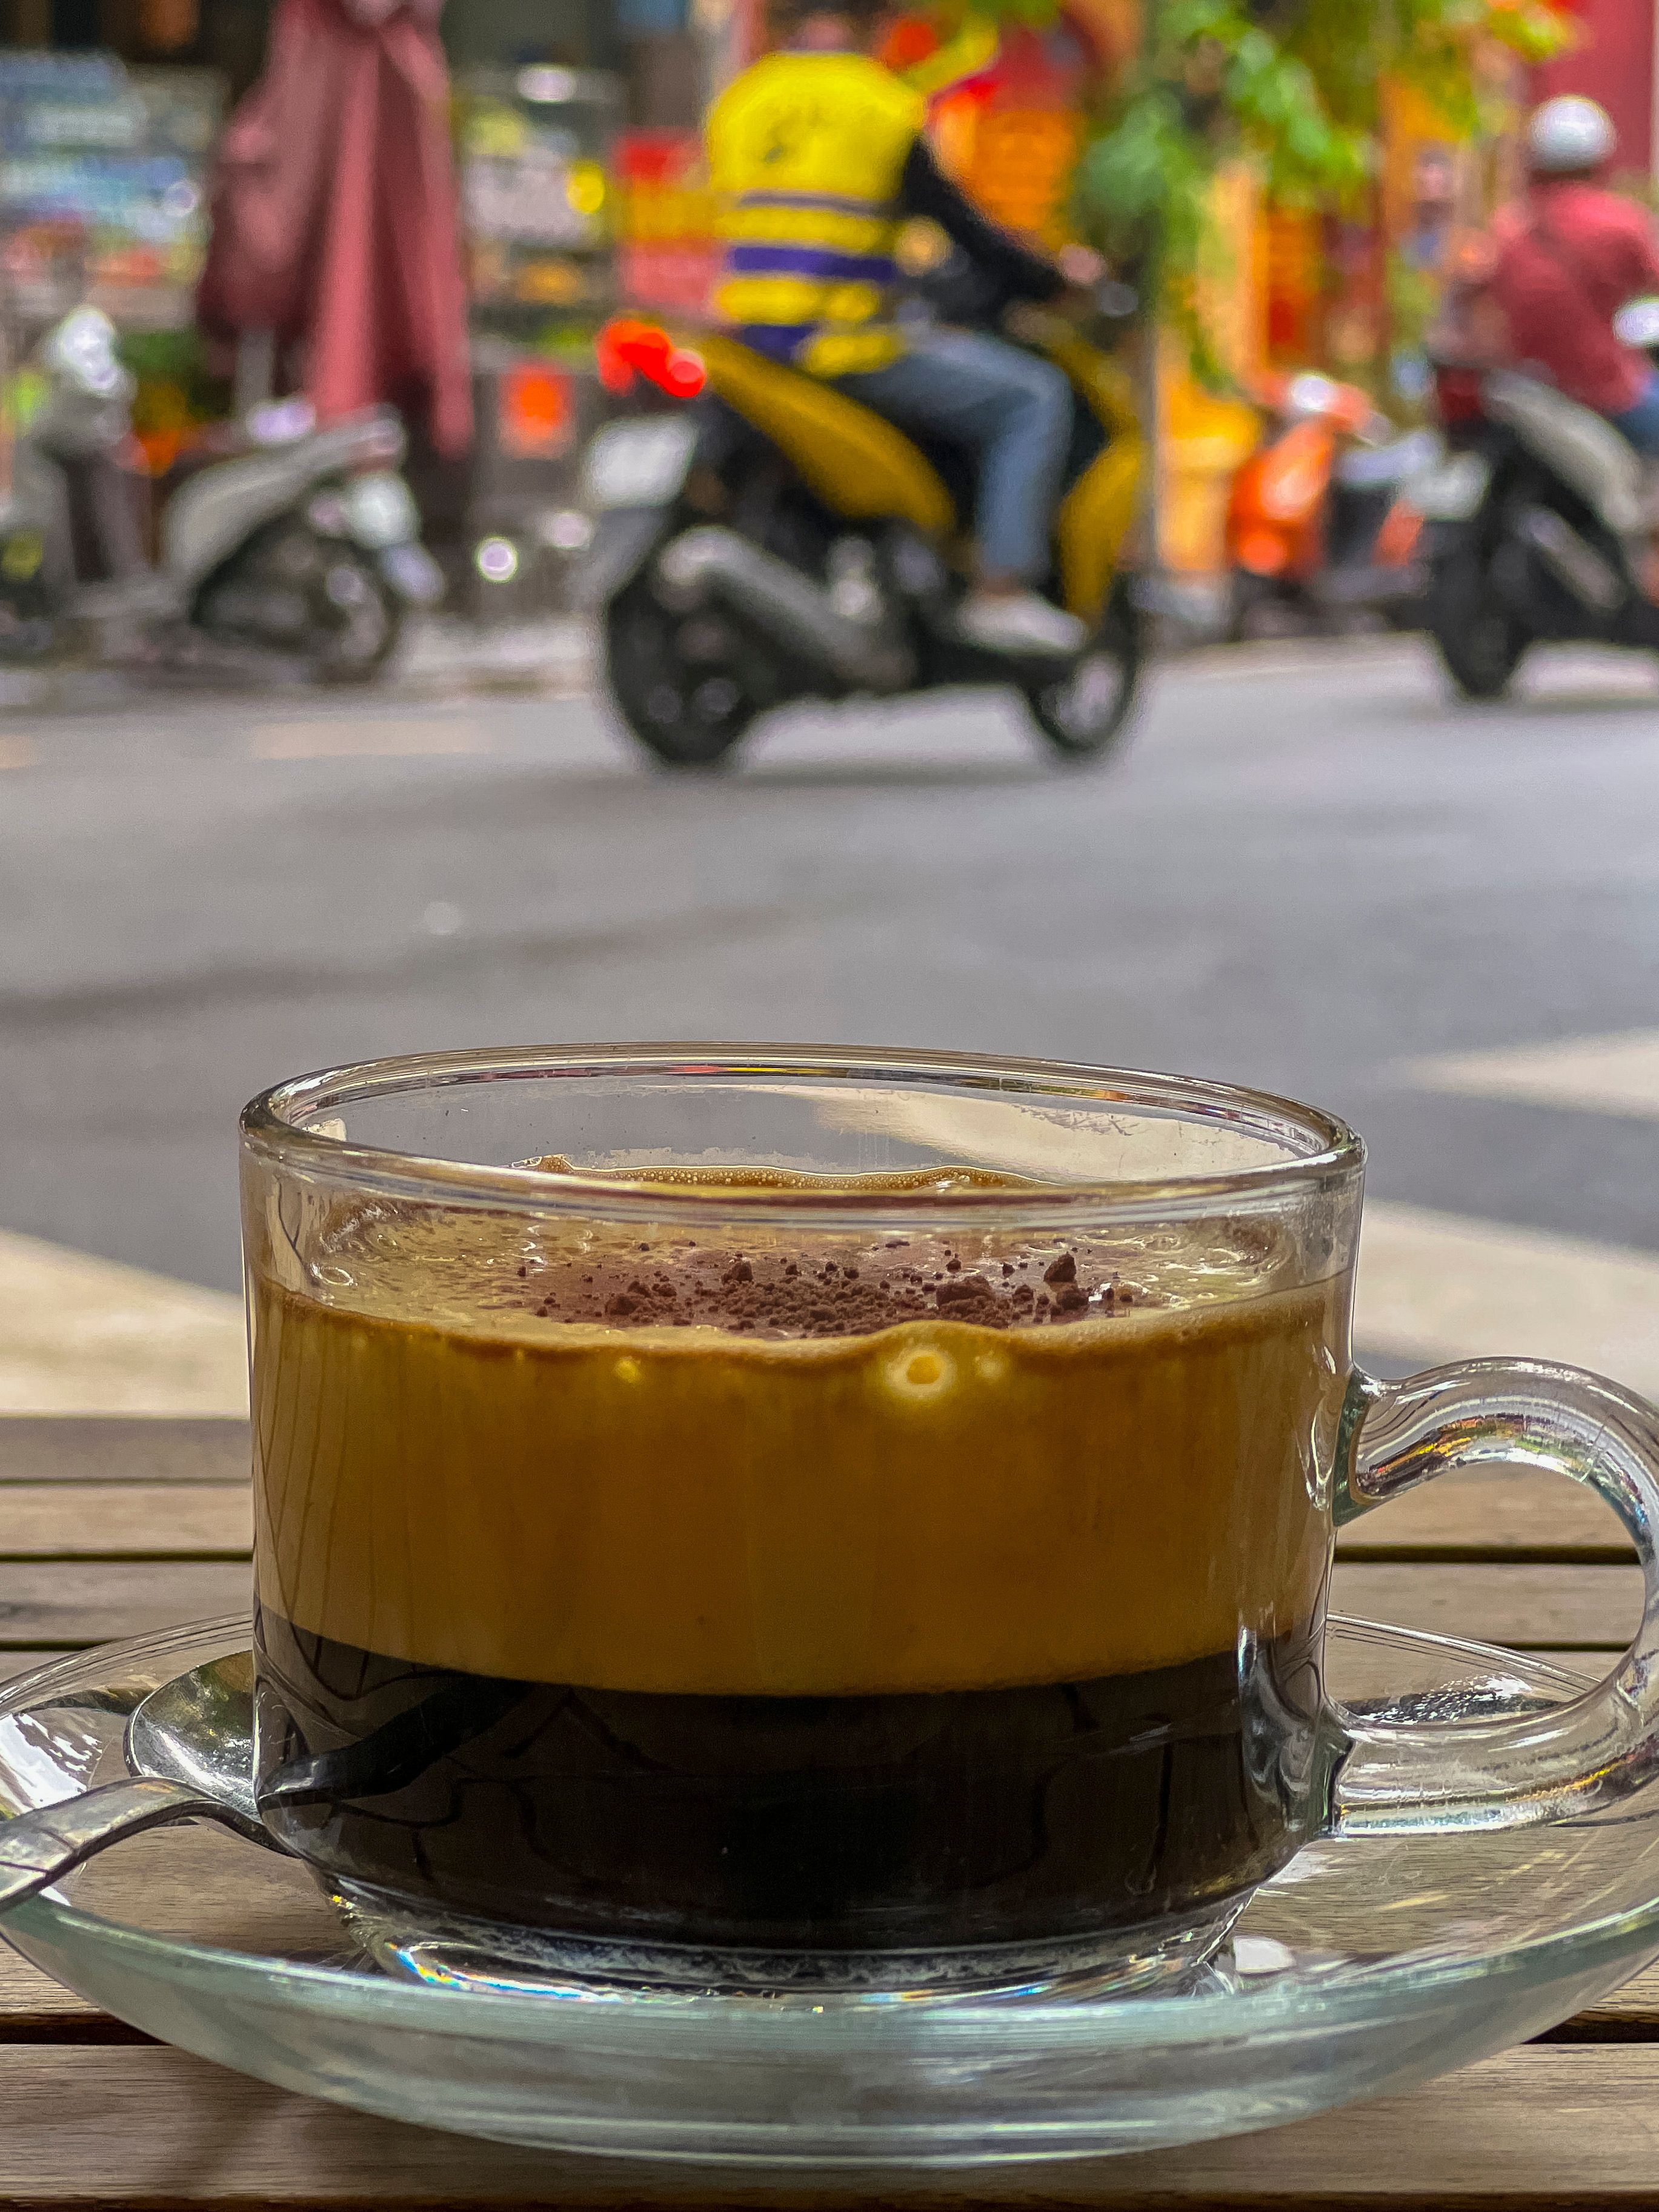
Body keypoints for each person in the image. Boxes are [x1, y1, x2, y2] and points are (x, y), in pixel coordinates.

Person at [705, 0, 1098, 656]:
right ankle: (1000, 588)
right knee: (1031, 398)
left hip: (752, 345)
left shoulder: (739, 101)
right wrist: (1050, 280)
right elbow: (960, 229)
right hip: (843, 345)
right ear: (870, 22)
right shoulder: (881, 107)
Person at [1486, 95, 1659, 456]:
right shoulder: (1620, 224)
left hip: (1527, 393)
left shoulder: (1509, 231)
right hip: (1603, 393)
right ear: (1601, 159)